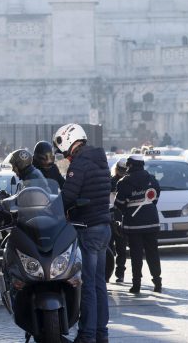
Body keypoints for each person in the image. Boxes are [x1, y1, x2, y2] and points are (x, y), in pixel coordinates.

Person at [54, 123, 112, 343]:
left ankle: (87, 335)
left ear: (70, 141)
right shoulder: (100, 160)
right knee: (99, 284)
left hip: (88, 228)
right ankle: (101, 333)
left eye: (64, 151)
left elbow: (67, 197)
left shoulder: (79, 164)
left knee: (87, 286)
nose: (65, 156)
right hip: (104, 227)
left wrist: (53, 209)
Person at [114, 155, 162, 294]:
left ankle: (136, 285)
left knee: (136, 255)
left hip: (133, 225)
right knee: (153, 252)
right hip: (152, 223)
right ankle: (157, 281)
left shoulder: (124, 182)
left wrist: (128, 210)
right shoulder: (151, 179)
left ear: (130, 166)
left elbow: (119, 204)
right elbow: (155, 197)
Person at [109, 158, 128, 283]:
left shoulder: (110, 182)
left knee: (111, 247)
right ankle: (119, 273)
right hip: (118, 215)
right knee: (120, 247)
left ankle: (110, 272)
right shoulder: (127, 182)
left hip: (111, 216)